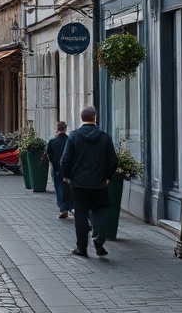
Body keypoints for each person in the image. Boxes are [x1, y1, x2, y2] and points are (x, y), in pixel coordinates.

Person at [60, 106, 118, 257]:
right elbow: (113, 161)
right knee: (100, 210)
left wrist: (66, 176)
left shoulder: (74, 136)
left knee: (81, 214)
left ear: (81, 118)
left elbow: (65, 159)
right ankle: (99, 239)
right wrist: (106, 177)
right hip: (99, 183)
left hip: (78, 183)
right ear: (95, 118)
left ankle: (82, 247)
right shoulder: (104, 137)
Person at [46, 120, 73, 218]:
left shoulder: (52, 142)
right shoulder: (70, 140)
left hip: (57, 168)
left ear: (56, 130)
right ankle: (69, 207)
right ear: (66, 129)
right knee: (70, 189)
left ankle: (63, 208)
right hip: (70, 168)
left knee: (59, 188)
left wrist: (54, 163)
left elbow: (49, 155)